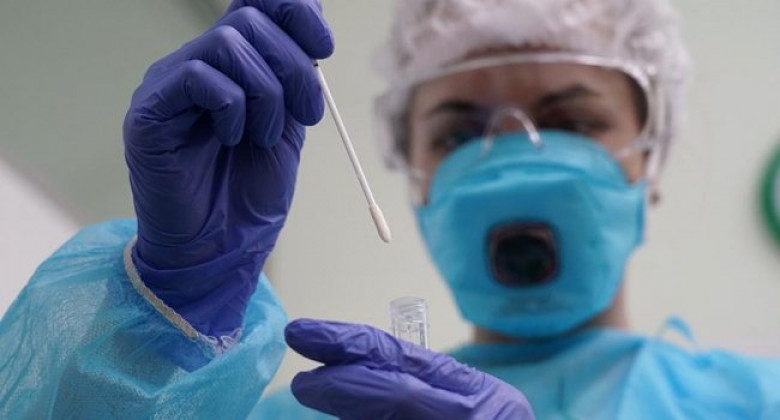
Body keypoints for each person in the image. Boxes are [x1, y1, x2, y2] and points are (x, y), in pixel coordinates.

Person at [2, 0, 780, 418]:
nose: (511, 160)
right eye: (459, 135)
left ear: (651, 156)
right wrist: (170, 314)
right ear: (413, 173)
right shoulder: (319, 412)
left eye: (571, 121)